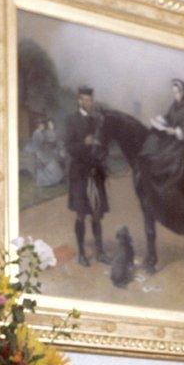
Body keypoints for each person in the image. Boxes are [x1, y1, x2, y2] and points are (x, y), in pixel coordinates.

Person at [136, 78, 184, 237]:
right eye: (173, 92)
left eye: (177, 92)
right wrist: (159, 121)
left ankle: (171, 193)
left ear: (183, 93)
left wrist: (173, 131)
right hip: (175, 141)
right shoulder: (174, 106)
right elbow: (168, 118)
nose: (175, 95)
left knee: (171, 161)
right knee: (157, 152)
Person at [65, 86, 109, 266]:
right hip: (80, 174)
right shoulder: (71, 120)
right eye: (85, 100)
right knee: (81, 214)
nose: (89, 103)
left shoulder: (96, 121)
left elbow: (104, 147)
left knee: (97, 214)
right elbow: (68, 146)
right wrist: (84, 144)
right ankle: (82, 253)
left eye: (91, 100)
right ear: (79, 100)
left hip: (95, 173)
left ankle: (100, 253)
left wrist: (101, 151)